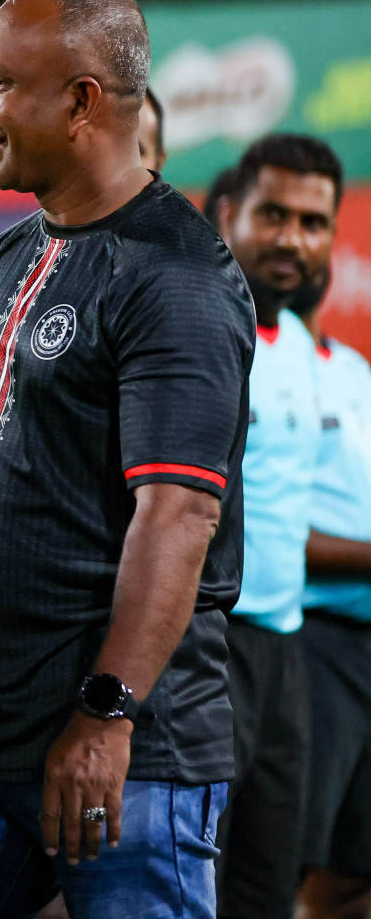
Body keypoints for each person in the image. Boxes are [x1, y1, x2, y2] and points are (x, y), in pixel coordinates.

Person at [0, 0, 252, 919]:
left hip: (123, 748)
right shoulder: (9, 256)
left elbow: (180, 512)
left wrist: (107, 712)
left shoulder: (177, 275)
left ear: (80, 102)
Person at [0, 88, 167, 518]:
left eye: (135, 150)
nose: (118, 166)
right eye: (106, 146)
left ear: (159, 162)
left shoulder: (189, 280)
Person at [207, 134, 342, 919]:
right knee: (190, 882)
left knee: (270, 883)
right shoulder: (192, 317)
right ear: (230, 213)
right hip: (206, 644)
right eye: (274, 215)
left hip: (287, 652)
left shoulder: (295, 342)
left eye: (313, 222)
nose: (293, 238)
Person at [282, 264, 371, 919]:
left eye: (316, 224)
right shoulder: (250, 360)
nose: (299, 244)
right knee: (281, 865)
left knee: (353, 873)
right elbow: (260, 523)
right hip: (309, 643)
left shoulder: (352, 367)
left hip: (364, 645)